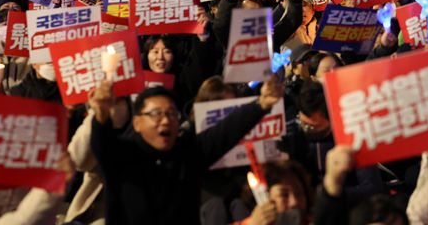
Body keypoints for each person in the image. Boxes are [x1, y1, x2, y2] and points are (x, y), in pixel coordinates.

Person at [88, 78, 283, 224]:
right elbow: (102, 144)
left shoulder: (188, 153)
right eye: (156, 114)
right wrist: (102, 116)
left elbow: (225, 132)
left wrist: (261, 104)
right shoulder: (122, 154)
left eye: (172, 114)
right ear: (137, 122)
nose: (166, 120)